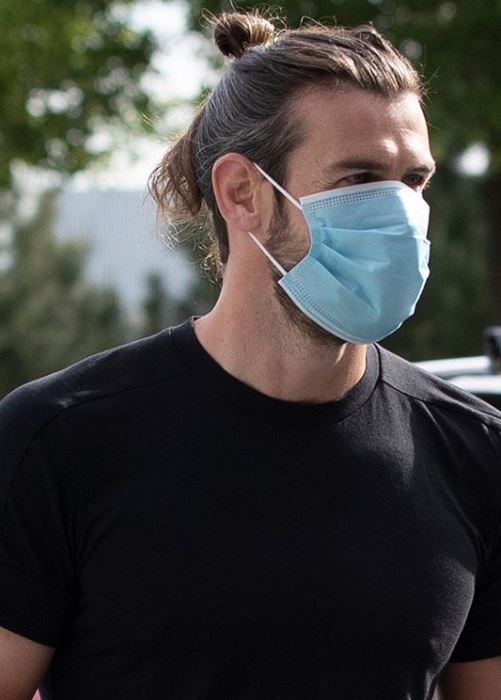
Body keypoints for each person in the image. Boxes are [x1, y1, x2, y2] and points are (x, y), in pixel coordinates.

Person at [0, 10, 500, 700]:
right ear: (242, 193)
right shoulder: (57, 440)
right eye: (358, 179)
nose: (398, 214)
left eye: (412, 181)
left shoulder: (475, 453)